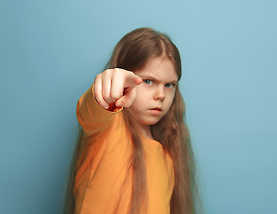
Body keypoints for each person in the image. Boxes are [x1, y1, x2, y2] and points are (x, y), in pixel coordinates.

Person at [64, 27, 200, 214]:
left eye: (169, 85)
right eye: (148, 81)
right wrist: (106, 90)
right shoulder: (107, 128)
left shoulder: (168, 159)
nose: (160, 95)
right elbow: (89, 111)